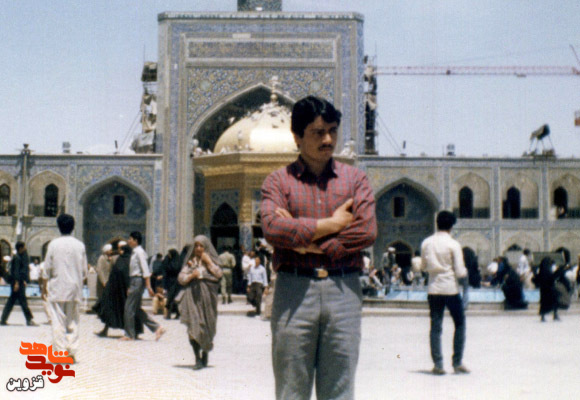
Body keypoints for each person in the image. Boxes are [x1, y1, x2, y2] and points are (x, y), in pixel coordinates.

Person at [261, 96, 377, 399]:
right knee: (291, 390)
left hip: (343, 290)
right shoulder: (278, 182)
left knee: (339, 390)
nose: (328, 140)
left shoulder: (355, 180)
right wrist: (334, 224)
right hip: (294, 291)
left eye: (333, 131)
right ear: (297, 137)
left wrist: (305, 242)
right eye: (318, 132)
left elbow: (366, 230)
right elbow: (273, 229)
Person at [421, 210, 469, 375]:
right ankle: (457, 363)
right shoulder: (453, 244)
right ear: (451, 226)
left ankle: (438, 364)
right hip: (450, 289)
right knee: (460, 324)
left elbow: (423, 266)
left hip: (434, 289)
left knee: (436, 326)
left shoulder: (427, 243)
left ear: (437, 223)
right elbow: (460, 271)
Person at [41, 214, 87, 361]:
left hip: (57, 287)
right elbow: (84, 271)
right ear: (73, 227)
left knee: (58, 321)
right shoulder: (80, 245)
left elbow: (46, 269)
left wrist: (44, 287)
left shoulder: (53, 245)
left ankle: (60, 352)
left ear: (58, 226)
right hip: (74, 289)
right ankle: (71, 351)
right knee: (73, 321)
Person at [178, 235, 223, 370]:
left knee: (207, 327)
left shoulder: (210, 261)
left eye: (201, 246)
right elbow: (181, 278)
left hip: (208, 300)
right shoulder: (191, 262)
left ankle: (205, 353)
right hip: (193, 298)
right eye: (196, 246)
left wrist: (208, 262)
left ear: (206, 247)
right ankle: (197, 358)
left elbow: (219, 274)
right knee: (194, 327)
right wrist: (192, 275)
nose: (198, 248)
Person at [122, 231, 165, 341]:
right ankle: (157, 328)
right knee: (136, 309)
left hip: (137, 281)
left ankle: (129, 334)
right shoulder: (135, 252)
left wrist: (149, 287)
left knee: (128, 308)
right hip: (134, 281)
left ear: (135, 241)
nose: (128, 241)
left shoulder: (139, 252)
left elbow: (145, 270)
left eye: (130, 239)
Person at [93, 244, 144, 338]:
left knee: (126, 311)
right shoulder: (121, 259)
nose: (119, 251)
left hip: (123, 290)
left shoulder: (128, 260)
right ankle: (106, 330)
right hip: (117, 290)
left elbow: (125, 274)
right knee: (112, 309)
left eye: (121, 250)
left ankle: (131, 332)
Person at [1, 241, 37, 326]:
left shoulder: (19, 257)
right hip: (17, 282)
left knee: (11, 301)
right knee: (22, 301)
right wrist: (17, 283)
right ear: (20, 248)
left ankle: (3, 319)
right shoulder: (17, 258)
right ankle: (29, 320)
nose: (25, 248)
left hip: (18, 282)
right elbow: (16, 271)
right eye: (24, 247)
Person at [533, 257, 559, 322]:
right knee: (554, 301)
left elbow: (536, 280)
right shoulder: (548, 270)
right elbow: (552, 278)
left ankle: (543, 316)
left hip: (543, 290)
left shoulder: (541, 270)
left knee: (544, 303)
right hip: (550, 289)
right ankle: (555, 315)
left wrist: (534, 274)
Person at [162, 248, 182, 319]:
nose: (168, 255)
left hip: (175, 282)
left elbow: (175, 268)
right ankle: (170, 314)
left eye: (169, 254)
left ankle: (174, 314)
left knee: (173, 298)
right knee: (170, 298)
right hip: (170, 282)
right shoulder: (169, 260)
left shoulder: (177, 262)